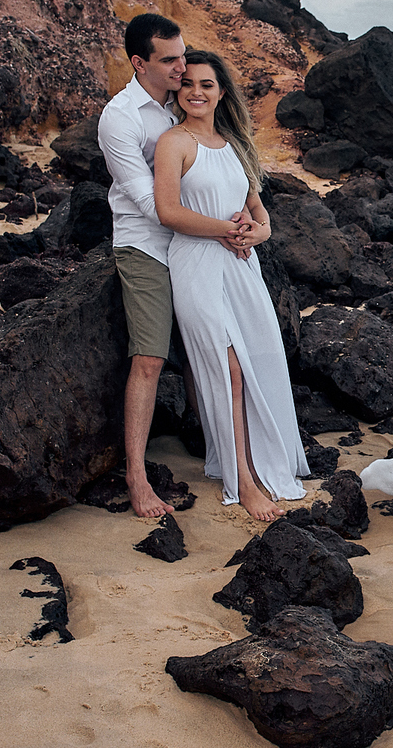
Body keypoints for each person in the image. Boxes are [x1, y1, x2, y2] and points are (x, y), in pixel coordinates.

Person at [98, 14, 252, 517]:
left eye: (182, 55)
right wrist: (223, 231)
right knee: (150, 357)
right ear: (139, 63)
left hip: (197, 244)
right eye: (169, 60)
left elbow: (226, 175)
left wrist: (249, 226)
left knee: (214, 352)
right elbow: (151, 204)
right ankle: (137, 477)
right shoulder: (121, 118)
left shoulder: (185, 100)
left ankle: (219, 453)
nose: (180, 67)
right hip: (146, 245)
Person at [153, 49, 310, 521]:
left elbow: (261, 216)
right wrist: (225, 230)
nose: (196, 92)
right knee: (229, 371)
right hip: (197, 264)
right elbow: (169, 212)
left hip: (242, 266)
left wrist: (255, 232)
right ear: (178, 92)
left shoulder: (236, 144)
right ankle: (241, 480)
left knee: (260, 362)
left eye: (207, 84)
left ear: (222, 93)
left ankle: (263, 465)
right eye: (189, 84)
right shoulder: (172, 143)